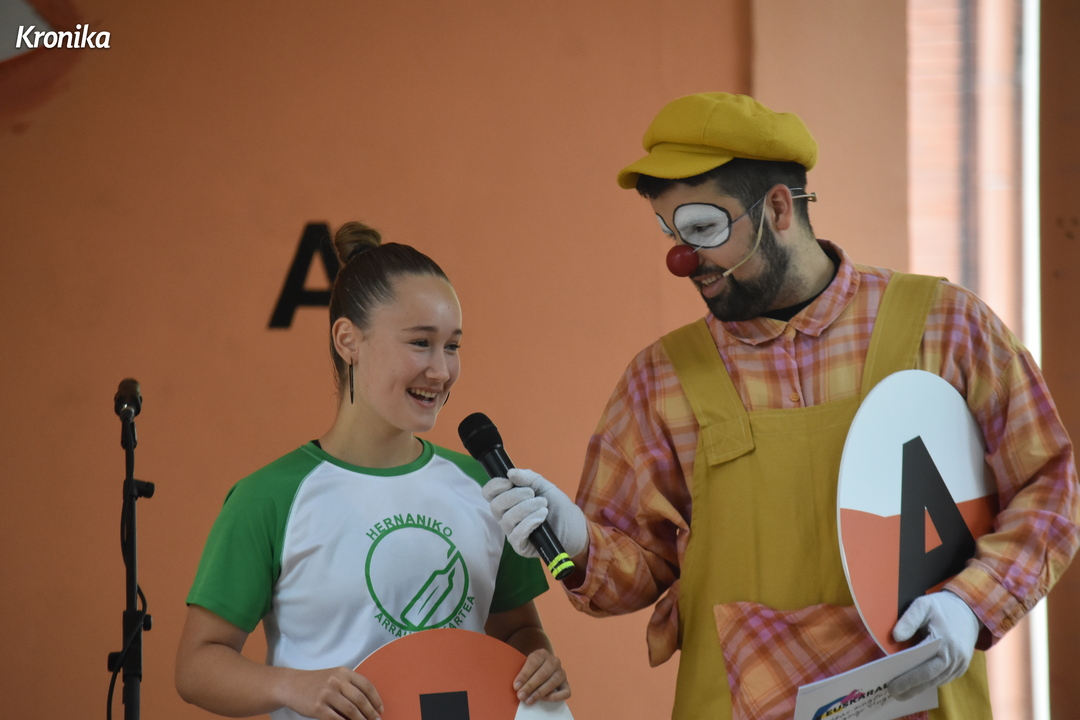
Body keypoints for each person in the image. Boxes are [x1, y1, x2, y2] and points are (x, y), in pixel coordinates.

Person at [482, 92, 1080, 720]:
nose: (682, 259)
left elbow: (1049, 489)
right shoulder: (660, 379)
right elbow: (628, 578)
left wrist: (972, 602)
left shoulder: (946, 325)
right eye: (670, 233)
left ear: (777, 208)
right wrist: (576, 539)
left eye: (703, 229)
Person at [175, 222, 570, 720]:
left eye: (452, 346)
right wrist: (291, 686)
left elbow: (518, 631)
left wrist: (539, 660)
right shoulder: (270, 497)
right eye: (420, 342)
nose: (441, 371)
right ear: (348, 341)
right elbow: (197, 665)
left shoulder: (482, 486)